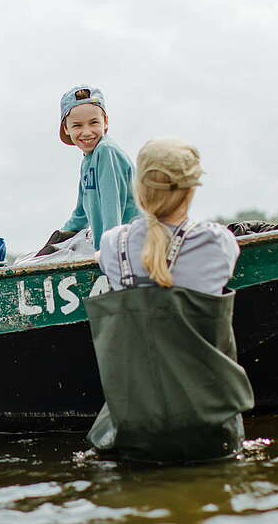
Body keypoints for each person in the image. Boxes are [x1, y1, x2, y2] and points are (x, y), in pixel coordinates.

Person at [83, 137, 254, 463]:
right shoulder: (216, 242)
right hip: (212, 430)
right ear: (191, 190)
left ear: (139, 189)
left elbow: (118, 250)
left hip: (133, 431)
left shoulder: (112, 245)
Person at [45, 86, 139, 255]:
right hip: (110, 244)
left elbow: (112, 211)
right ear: (66, 128)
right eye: (77, 125)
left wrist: (109, 254)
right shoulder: (88, 160)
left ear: (106, 121)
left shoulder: (106, 151)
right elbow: (80, 215)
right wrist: (58, 239)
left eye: (94, 122)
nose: (86, 132)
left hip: (130, 247)